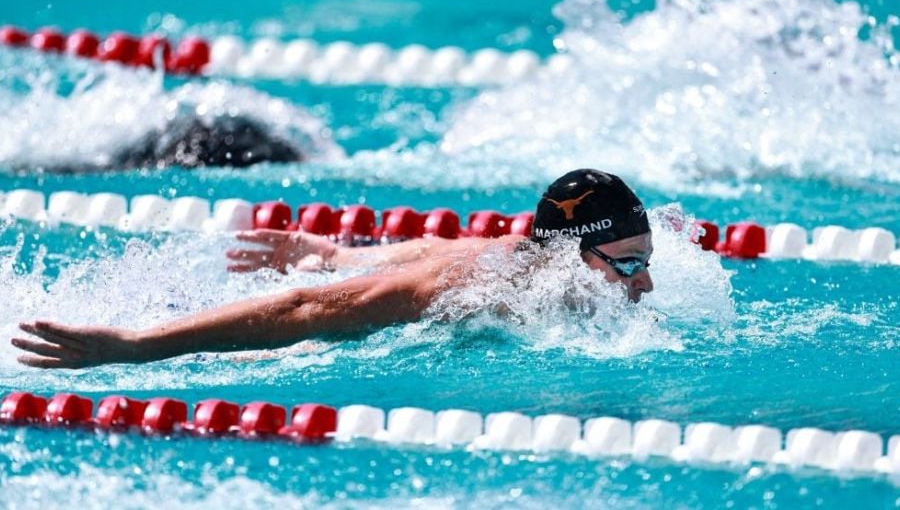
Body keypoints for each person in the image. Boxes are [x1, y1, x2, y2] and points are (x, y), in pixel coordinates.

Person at [12, 169, 654, 369]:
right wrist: (135, 345)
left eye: (645, 263)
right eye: (628, 266)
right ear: (571, 254)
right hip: (285, 333)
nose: (644, 285)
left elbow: (430, 248)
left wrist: (335, 253)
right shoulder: (472, 291)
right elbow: (308, 309)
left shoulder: (526, 258)